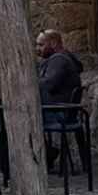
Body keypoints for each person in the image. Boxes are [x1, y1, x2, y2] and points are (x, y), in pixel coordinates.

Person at [36, 29, 87, 170]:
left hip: (59, 112)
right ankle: (48, 153)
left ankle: (44, 155)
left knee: (20, 117)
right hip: (67, 111)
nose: (37, 49)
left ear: (53, 43)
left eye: (41, 45)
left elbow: (47, 85)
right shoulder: (65, 58)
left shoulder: (59, 60)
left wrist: (31, 83)